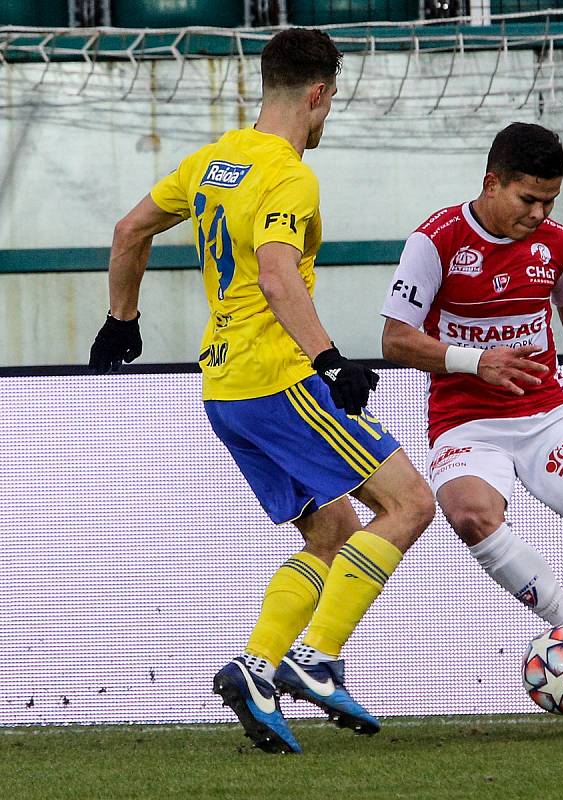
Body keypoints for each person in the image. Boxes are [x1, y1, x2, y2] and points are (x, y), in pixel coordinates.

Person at [88, 27, 435, 754]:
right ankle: (317, 658)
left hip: (223, 388)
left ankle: (256, 669)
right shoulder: (289, 175)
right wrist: (333, 362)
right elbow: (278, 274)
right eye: (330, 102)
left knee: (332, 531)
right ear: (316, 94)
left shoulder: (212, 163)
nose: (327, 115)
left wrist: (122, 319)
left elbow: (128, 232)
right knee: (408, 503)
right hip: (282, 380)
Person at [380, 122, 563, 731]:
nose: (539, 213)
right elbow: (396, 339)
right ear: (492, 182)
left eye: (550, 201)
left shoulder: (556, 244)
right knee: (469, 512)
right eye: (527, 199)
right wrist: (473, 361)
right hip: (466, 421)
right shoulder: (437, 242)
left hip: (545, 414)